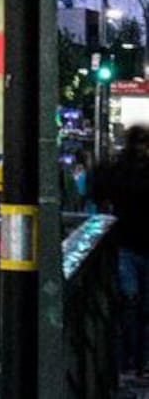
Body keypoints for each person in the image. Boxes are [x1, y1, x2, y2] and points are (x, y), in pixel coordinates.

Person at [93, 126, 149, 376]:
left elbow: (97, 189)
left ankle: (131, 360)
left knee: (133, 303)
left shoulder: (118, 170)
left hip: (126, 244)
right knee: (135, 302)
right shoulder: (123, 170)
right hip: (131, 246)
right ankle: (136, 360)